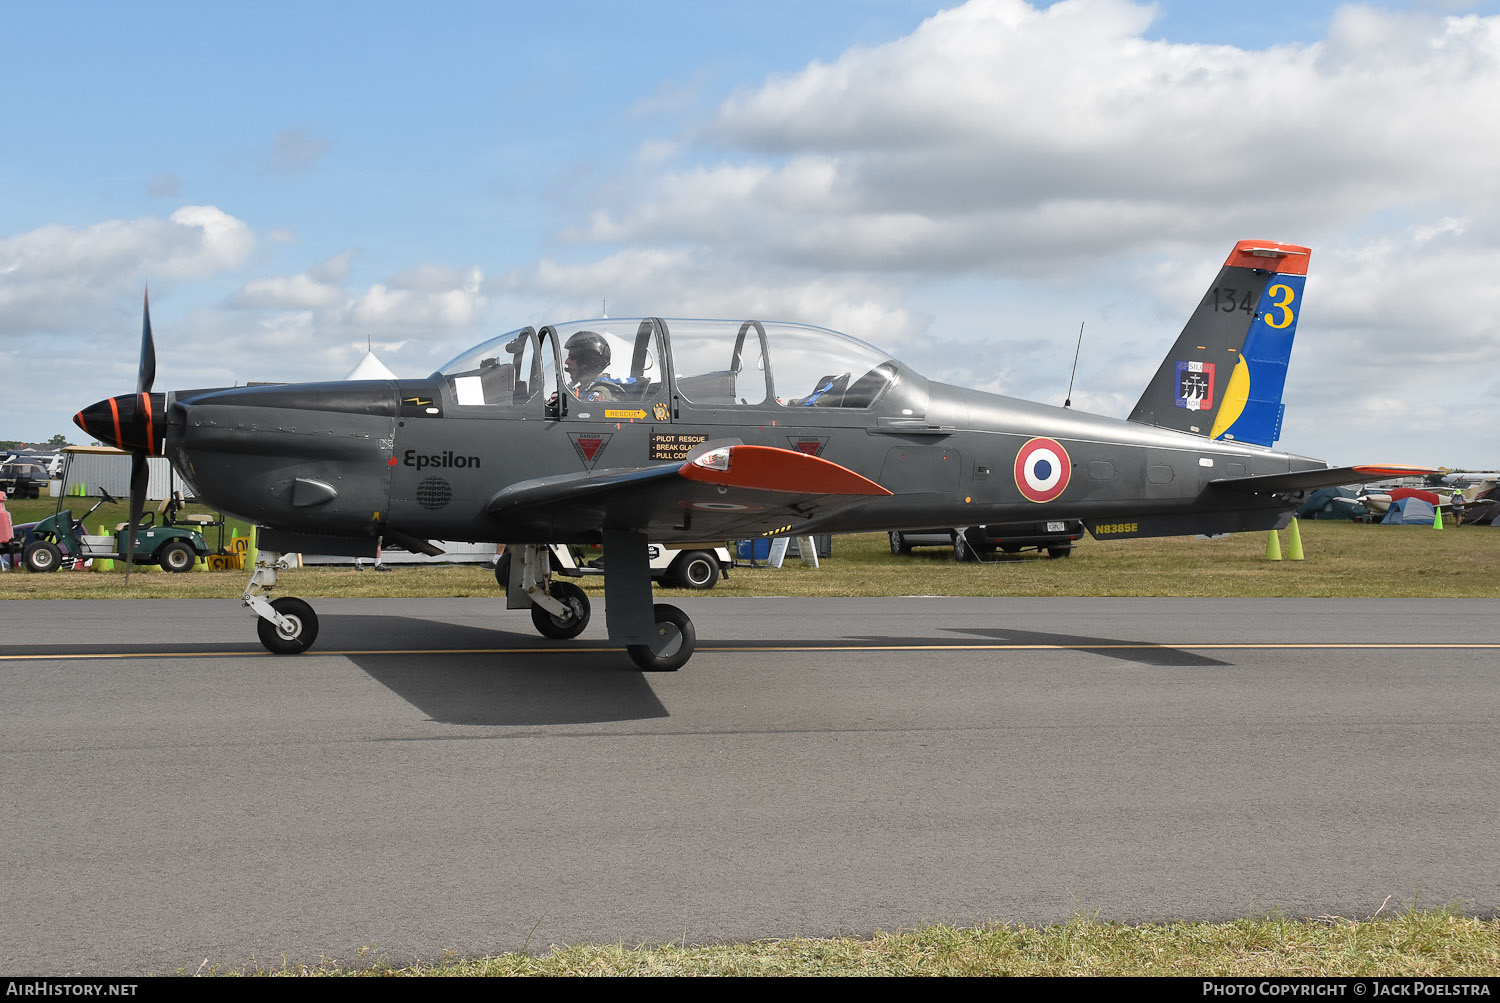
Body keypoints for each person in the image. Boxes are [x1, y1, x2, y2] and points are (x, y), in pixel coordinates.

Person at [564, 331, 623, 403]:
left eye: (573, 357)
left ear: (587, 362)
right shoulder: (585, 389)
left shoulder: (599, 392)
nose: (567, 361)